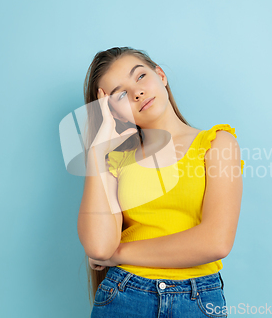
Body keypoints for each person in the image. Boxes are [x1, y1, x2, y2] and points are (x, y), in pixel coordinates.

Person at [77, 46, 244, 318]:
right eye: (120, 95)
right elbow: (98, 247)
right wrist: (97, 151)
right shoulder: (115, 161)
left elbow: (216, 242)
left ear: (161, 75)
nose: (136, 93)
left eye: (140, 76)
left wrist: (118, 254)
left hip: (198, 299)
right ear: (114, 113)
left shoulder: (217, 144)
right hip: (124, 294)